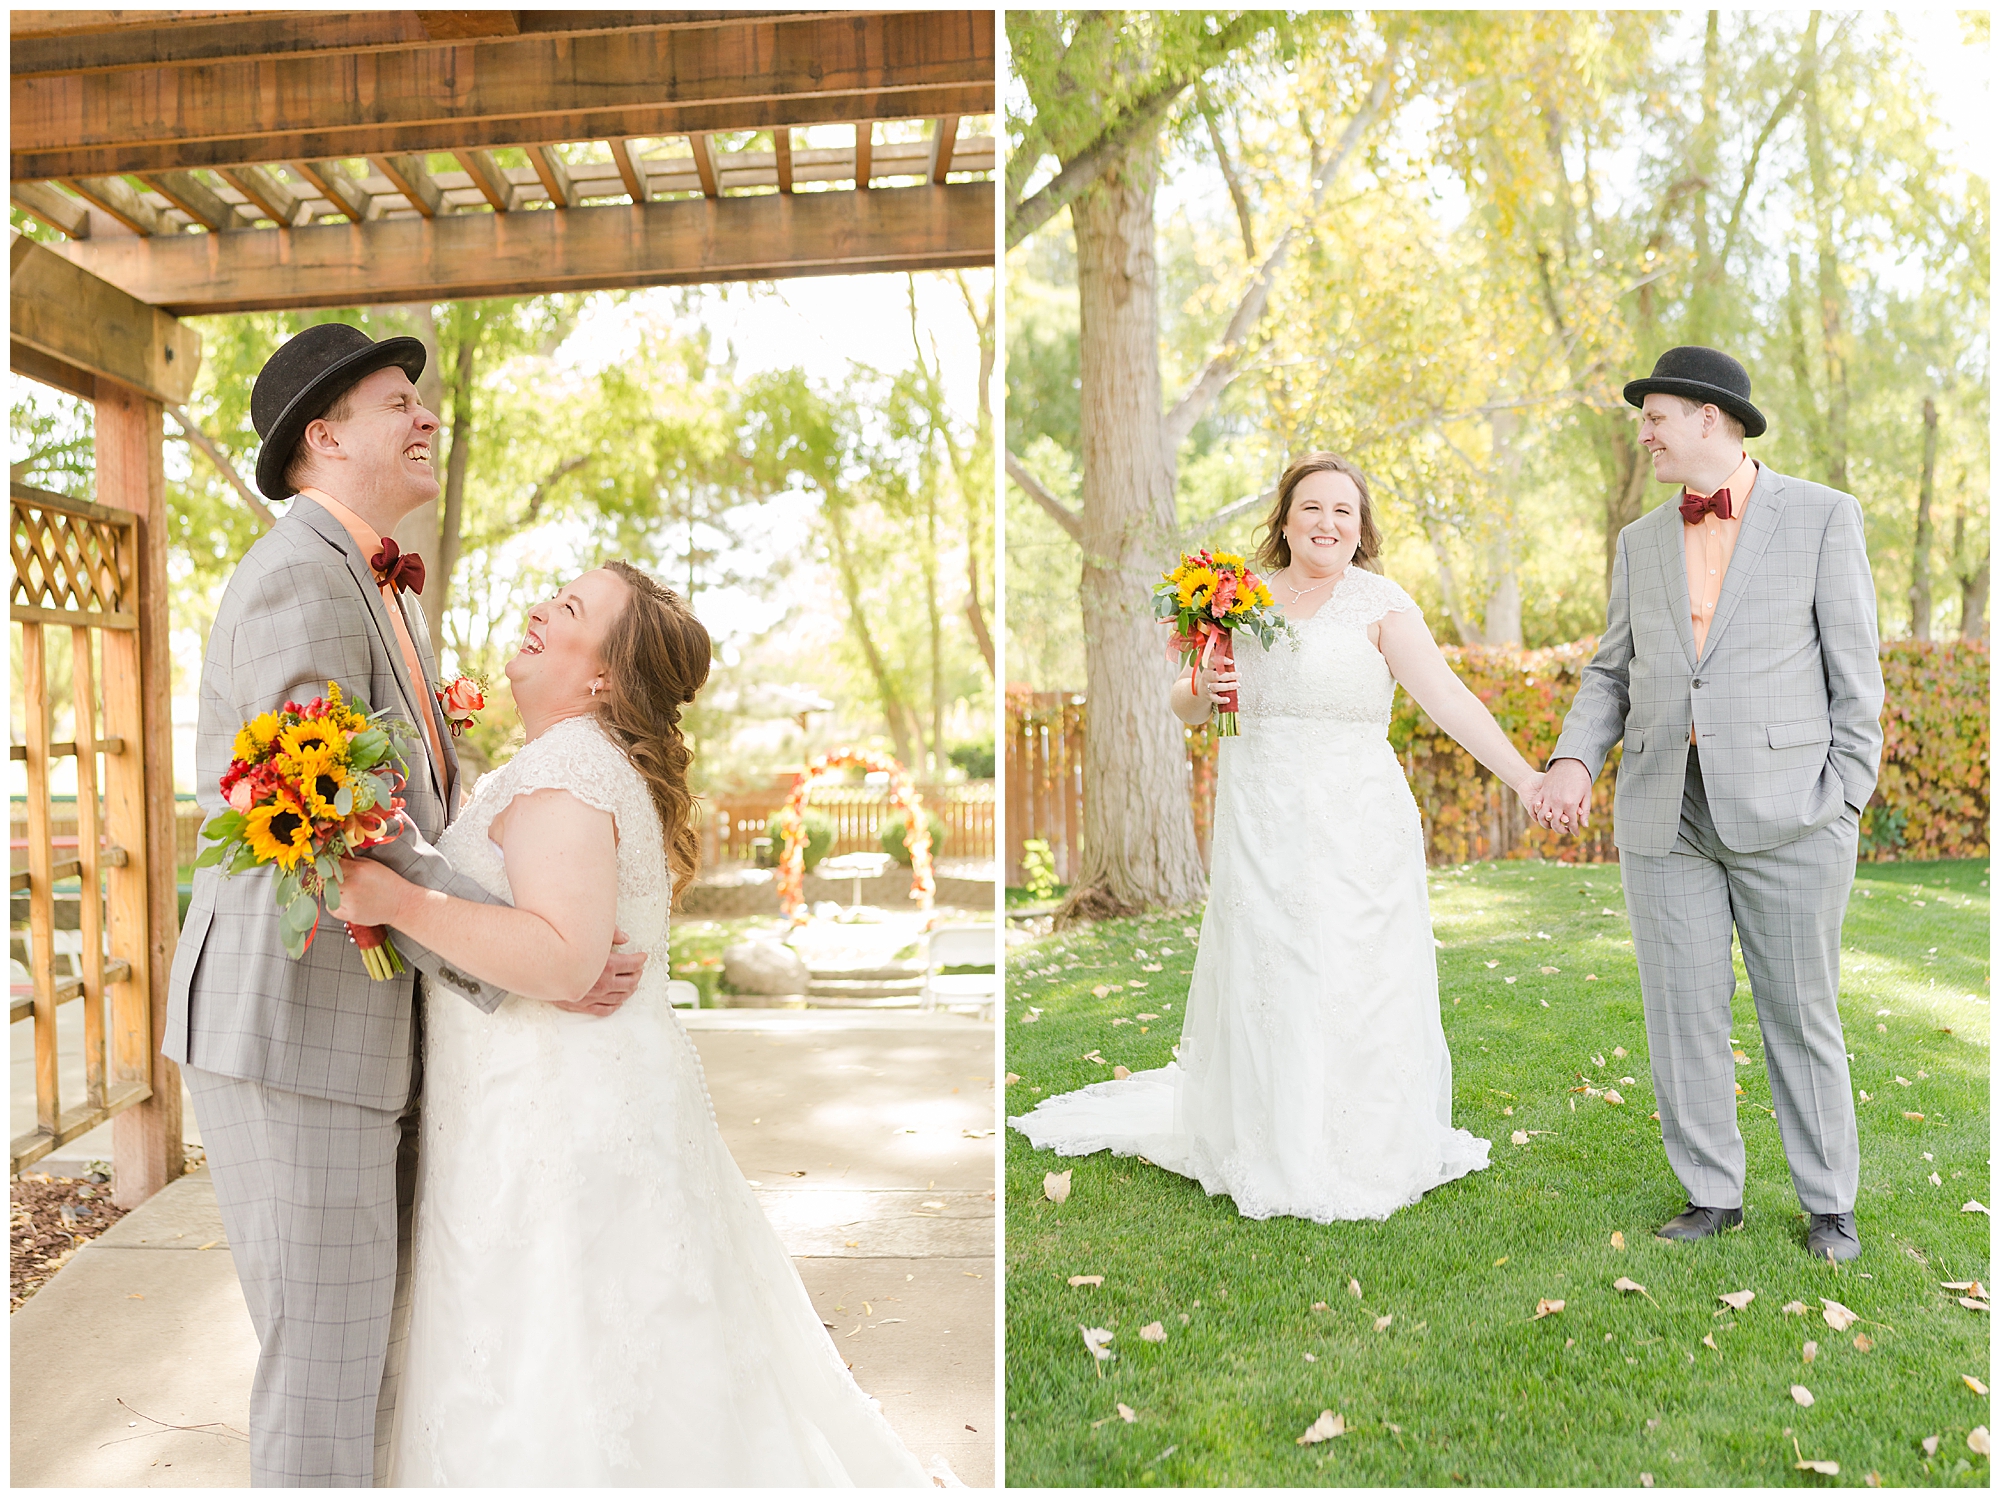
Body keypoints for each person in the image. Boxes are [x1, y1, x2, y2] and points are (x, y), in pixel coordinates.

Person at [164, 323, 645, 1487]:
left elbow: (407, 814)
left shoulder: (381, 590)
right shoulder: (295, 578)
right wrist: (532, 957)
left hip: (351, 1030)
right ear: (323, 438)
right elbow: (332, 819)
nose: (427, 416)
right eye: (397, 402)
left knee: (368, 1366)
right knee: (326, 1375)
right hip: (293, 1030)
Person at [330, 567, 939, 1486]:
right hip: (558, 1106)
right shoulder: (555, 764)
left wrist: (396, 899)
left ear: (605, 675)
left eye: (569, 610)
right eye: (552, 598)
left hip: (555, 1123)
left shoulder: (569, 771)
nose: (539, 610)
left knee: (565, 1358)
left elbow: (566, 959)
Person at [1011, 453, 1544, 1223]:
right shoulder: (1236, 601)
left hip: (1355, 815)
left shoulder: (1382, 605)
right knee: (1271, 964)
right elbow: (1185, 706)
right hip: (1259, 815)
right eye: (1312, 508)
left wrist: (1525, 777)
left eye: (1343, 512)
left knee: (1355, 965)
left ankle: (1363, 1142)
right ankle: (1269, 1138)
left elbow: (1449, 701)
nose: (1327, 523)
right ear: (1285, 519)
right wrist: (1204, 684)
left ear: (1360, 530)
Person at [1532, 346, 1883, 1263]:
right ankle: (1710, 1194)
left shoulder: (1821, 517)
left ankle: (1827, 1203)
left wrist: (1845, 794)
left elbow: (1857, 676)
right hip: (1663, 808)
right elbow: (1613, 670)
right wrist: (1575, 758)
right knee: (1681, 1006)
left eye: (1655, 415)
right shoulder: (1640, 540)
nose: (1643, 432)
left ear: (1710, 420)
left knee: (1799, 1009)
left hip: (1794, 812)